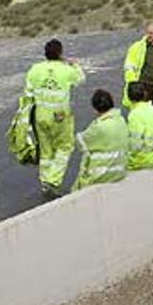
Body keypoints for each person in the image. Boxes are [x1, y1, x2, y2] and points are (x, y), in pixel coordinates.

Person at [24, 39, 85, 198]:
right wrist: (74, 64)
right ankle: (53, 181)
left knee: (46, 150)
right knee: (64, 147)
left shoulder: (35, 69)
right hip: (60, 116)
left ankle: (45, 181)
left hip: (40, 115)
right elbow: (80, 79)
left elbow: (28, 93)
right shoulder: (65, 70)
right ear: (60, 53)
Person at [73, 89, 129, 190]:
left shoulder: (99, 127)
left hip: (101, 175)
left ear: (95, 109)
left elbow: (82, 141)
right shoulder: (121, 120)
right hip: (120, 171)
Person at [122, 23, 153, 109]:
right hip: (144, 86)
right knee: (142, 112)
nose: (148, 35)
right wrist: (133, 84)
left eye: (151, 33)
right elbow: (129, 66)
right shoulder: (138, 47)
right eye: (147, 33)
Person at [127, 82, 153, 170]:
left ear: (129, 97)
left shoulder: (135, 115)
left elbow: (135, 145)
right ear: (145, 94)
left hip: (141, 160)